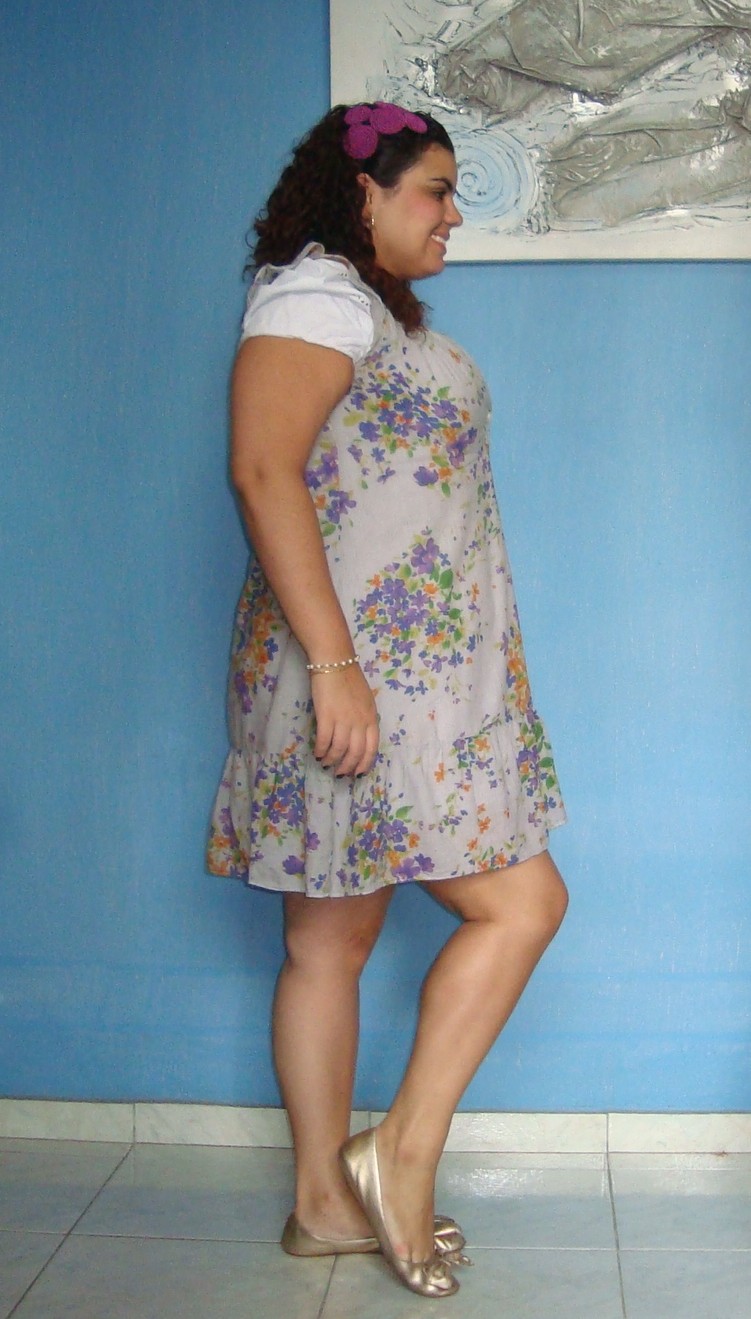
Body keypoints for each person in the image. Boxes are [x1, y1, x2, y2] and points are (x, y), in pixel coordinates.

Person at [207, 100, 568, 1299]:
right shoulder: (315, 294)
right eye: (435, 189)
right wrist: (335, 667)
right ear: (364, 191)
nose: (454, 214)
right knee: (517, 903)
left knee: (330, 939)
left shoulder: (357, 307)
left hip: (395, 681)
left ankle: (325, 1203)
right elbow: (262, 468)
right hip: (355, 679)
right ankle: (395, 1156)